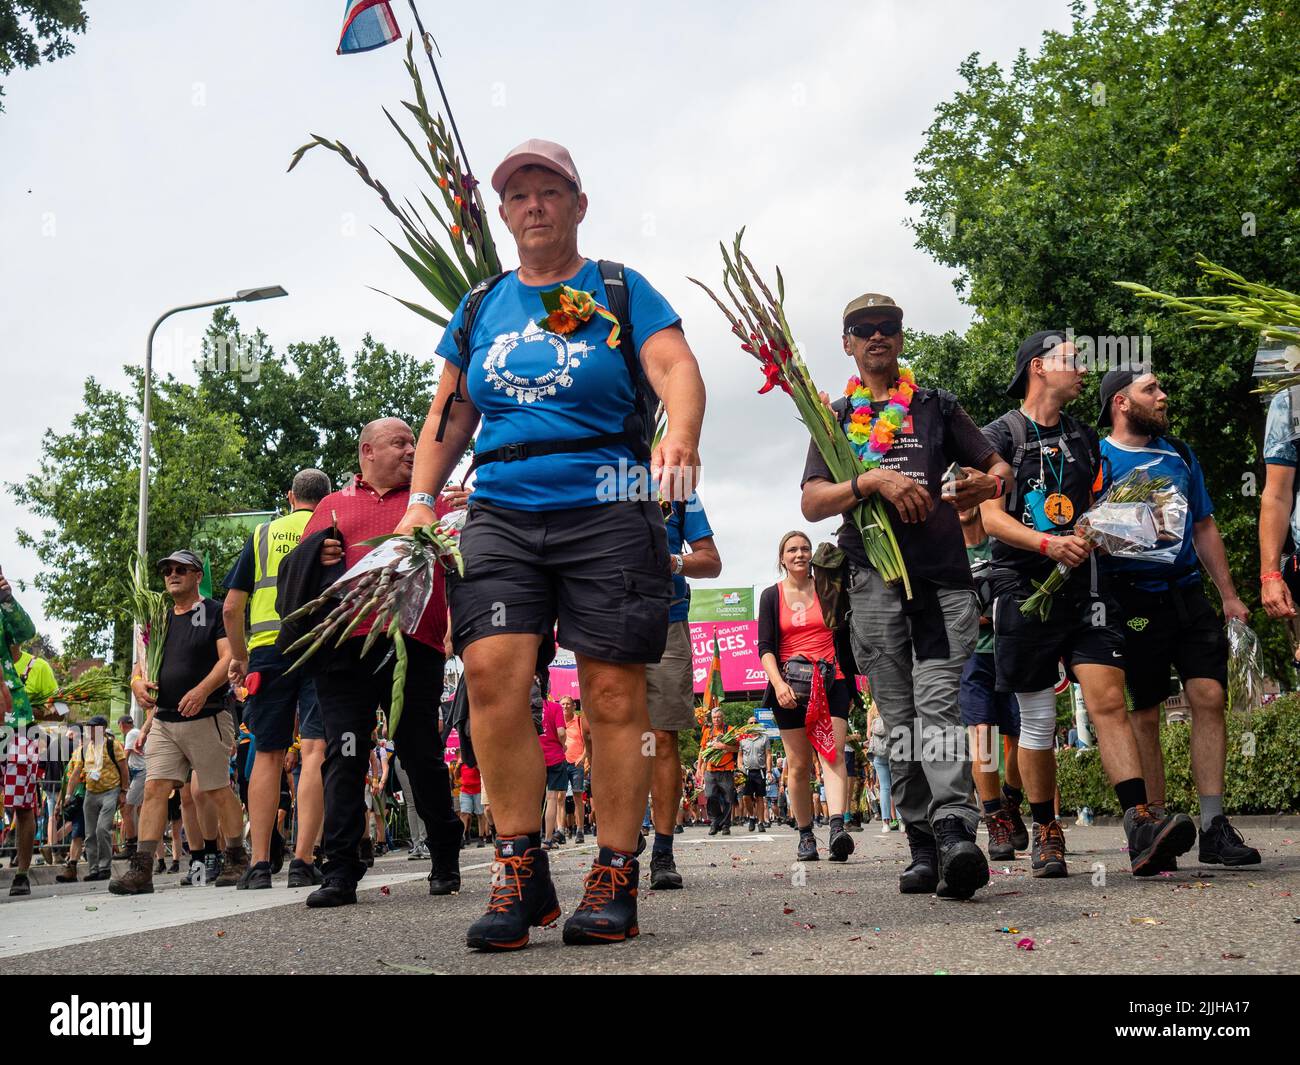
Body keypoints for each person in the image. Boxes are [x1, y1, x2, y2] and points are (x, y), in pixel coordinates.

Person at [395, 138, 706, 950]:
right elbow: (447, 416)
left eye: (549, 191)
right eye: (518, 195)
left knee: (611, 692)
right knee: (493, 674)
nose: (533, 205)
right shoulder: (479, 307)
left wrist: (681, 438)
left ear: (577, 204)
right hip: (499, 505)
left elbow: (677, 368)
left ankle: (613, 872)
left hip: (607, 504)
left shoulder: (618, 288)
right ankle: (518, 868)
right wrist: (421, 499)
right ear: (503, 215)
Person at [801, 294, 1010, 899]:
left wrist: (984, 484)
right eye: (862, 330)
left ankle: (955, 834)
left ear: (900, 338)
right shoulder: (832, 418)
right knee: (898, 720)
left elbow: (999, 469)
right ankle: (922, 844)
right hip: (870, 584)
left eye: (887, 328)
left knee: (939, 704)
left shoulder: (936, 406)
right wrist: (870, 480)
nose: (876, 337)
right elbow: (813, 502)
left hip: (942, 582)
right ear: (847, 343)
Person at [979, 332, 1197, 880]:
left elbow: (1098, 503)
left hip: (1086, 588)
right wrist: (1048, 544)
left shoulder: (1084, 437)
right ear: (1038, 368)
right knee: (1037, 718)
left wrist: (1113, 525)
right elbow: (989, 518)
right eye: (1072, 362)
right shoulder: (996, 437)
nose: (1082, 370)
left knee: (1108, 700)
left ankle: (1139, 823)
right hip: (1023, 590)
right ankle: (1046, 829)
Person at [298, 422, 464, 907]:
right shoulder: (332, 505)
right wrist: (319, 551)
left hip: (415, 645)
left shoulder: (430, 502)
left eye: (415, 443)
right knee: (345, 754)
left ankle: (445, 855)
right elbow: (302, 569)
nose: (412, 450)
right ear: (368, 451)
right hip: (344, 647)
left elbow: (462, 561)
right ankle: (341, 871)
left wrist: (461, 517)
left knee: (420, 753)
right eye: (400, 444)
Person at [1097, 369, 1259, 866]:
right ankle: (1156, 827)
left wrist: (1228, 594)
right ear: (1121, 402)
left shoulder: (1182, 455)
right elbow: (1084, 527)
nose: (1164, 396)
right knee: (1144, 711)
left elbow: (1204, 527)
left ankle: (1213, 825)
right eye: (1152, 390)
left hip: (1188, 596)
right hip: (1131, 601)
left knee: (1209, 695)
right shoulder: (1096, 457)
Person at [110, 549, 244, 894]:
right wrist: (137, 685)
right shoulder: (157, 618)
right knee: (155, 789)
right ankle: (142, 871)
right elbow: (139, 668)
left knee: (215, 789)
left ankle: (235, 857)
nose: (172, 574)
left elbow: (228, 657)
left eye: (181, 569)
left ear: (198, 575)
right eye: (168, 570)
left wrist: (201, 690)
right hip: (166, 720)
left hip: (207, 714)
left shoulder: (214, 612)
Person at [224, 468, 332, 889]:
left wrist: (240, 657)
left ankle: (259, 864)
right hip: (320, 646)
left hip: (269, 650)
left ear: (290, 496)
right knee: (314, 749)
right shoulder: (332, 526)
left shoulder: (263, 535)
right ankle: (304, 860)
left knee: (267, 753)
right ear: (325, 499)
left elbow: (232, 607)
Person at [758, 531, 858, 862]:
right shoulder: (771, 596)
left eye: (805, 549)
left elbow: (844, 636)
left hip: (833, 681)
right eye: (792, 550)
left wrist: (853, 686)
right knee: (799, 766)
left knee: (833, 755)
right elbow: (766, 648)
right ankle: (805, 835)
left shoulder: (828, 588)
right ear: (782, 558)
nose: (800, 554)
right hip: (790, 688)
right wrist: (778, 685)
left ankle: (837, 828)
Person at [645, 493, 721, 888]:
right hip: (603, 619)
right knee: (614, 739)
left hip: (666, 622)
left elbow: (711, 561)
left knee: (662, 738)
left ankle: (662, 850)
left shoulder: (678, 490)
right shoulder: (593, 466)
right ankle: (618, 844)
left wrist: (672, 562)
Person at [958, 505, 1028, 861]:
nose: (963, 502)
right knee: (982, 736)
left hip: (1012, 649)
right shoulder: (947, 552)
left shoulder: (1005, 542)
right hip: (971, 658)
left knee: (1022, 736)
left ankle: (1011, 799)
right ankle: (994, 816)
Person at [1, 570, 42, 896]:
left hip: (15, 721)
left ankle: (22, 873)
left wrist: (8, 599)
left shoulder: (2, 610)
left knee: (23, 803)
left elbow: (27, 631)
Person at [65, 716, 129, 881]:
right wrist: (67, 795)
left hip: (110, 791)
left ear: (101, 728)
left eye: (93, 727)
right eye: (88, 728)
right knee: (90, 833)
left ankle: (105, 867)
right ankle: (93, 870)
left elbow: (123, 769)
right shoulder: (84, 748)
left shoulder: (112, 745)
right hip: (91, 793)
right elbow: (76, 773)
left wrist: (123, 791)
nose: (89, 731)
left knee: (102, 829)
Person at [696, 707, 738, 836]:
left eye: (719, 717)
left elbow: (737, 748)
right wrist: (699, 768)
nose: (716, 719)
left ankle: (725, 825)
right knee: (710, 796)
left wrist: (724, 747)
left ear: (722, 717)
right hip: (710, 769)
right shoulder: (707, 732)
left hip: (726, 769)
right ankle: (716, 821)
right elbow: (702, 750)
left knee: (728, 798)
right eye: (714, 717)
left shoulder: (730, 730)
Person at [540, 692, 569, 849]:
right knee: (551, 798)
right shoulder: (555, 707)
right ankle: (548, 839)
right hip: (554, 757)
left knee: (533, 800)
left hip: (534, 757)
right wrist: (563, 745)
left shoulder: (527, 707)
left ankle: (530, 840)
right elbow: (561, 732)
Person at [117, 714, 146, 860]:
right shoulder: (136, 732)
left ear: (121, 725)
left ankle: (131, 845)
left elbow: (124, 757)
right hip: (141, 773)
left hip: (141, 773)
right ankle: (142, 844)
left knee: (126, 809)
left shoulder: (131, 733)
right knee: (141, 811)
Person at [560, 697, 587, 843]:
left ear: (573, 705)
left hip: (576, 763)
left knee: (578, 799)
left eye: (568, 704)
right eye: (562, 704)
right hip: (561, 763)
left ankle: (580, 830)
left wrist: (583, 758)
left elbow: (587, 741)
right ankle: (561, 831)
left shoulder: (579, 720)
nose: (565, 706)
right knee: (560, 798)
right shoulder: (557, 721)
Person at [738, 716, 771, 833]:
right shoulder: (743, 738)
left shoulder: (764, 738)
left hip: (760, 771)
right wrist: (740, 766)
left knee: (760, 797)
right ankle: (752, 817)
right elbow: (740, 755)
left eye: (755, 722)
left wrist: (769, 771)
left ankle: (761, 822)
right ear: (748, 725)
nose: (753, 723)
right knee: (746, 797)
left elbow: (768, 754)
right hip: (746, 772)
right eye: (751, 722)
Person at [459, 762, 487, 846]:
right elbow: (456, 776)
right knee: (464, 814)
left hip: (478, 790)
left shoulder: (476, 760)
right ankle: (461, 838)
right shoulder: (462, 762)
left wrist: (477, 765)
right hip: (465, 791)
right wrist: (457, 767)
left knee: (480, 814)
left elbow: (483, 772)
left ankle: (481, 838)